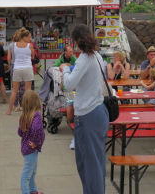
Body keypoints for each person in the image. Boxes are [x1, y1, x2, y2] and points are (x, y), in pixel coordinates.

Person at [60, 24, 108, 194]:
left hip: (88, 114)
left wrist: (65, 70)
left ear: (75, 41)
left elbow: (69, 84)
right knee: (92, 162)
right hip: (97, 111)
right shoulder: (97, 56)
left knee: (90, 165)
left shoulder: (84, 59)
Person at [18, 90, 45, 194]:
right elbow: (36, 129)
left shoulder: (24, 116)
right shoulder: (37, 116)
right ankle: (26, 192)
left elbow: (20, 132)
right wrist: (35, 141)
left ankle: (33, 190)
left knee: (32, 171)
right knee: (27, 174)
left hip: (26, 149)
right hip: (31, 149)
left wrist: (26, 135)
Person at [7, 28, 36, 115]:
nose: (30, 39)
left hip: (17, 68)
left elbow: (11, 57)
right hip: (27, 68)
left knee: (14, 91)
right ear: (24, 37)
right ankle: (28, 110)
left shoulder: (14, 45)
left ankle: (9, 111)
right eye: (29, 37)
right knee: (28, 91)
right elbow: (33, 57)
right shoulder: (30, 45)